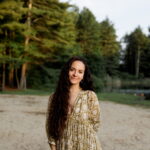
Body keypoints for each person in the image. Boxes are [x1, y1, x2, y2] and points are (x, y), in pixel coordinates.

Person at [45, 56, 102, 150]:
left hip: (88, 146)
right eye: (72, 70)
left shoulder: (90, 96)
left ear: (83, 75)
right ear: (66, 71)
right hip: (64, 146)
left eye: (80, 71)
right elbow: (50, 127)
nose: (75, 74)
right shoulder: (54, 97)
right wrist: (53, 147)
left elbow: (95, 124)